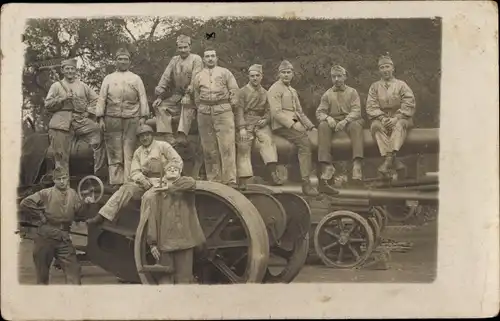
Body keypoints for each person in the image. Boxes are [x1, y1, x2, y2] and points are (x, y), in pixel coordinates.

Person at [86, 124, 183, 225]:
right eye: (141, 136)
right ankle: (103, 216)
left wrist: (167, 178)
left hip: (163, 183)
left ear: (152, 135)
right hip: (145, 182)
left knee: (149, 198)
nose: (144, 138)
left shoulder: (163, 146)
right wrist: (142, 180)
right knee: (126, 188)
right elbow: (134, 171)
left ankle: (150, 229)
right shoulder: (138, 152)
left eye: (147, 135)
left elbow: (177, 161)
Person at [19, 167, 95, 284]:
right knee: (42, 277)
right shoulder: (46, 193)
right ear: (54, 180)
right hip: (46, 236)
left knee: (74, 273)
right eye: (59, 179)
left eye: (64, 178)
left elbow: (80, 214)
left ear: (68, 178)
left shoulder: (73, 194)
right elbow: (25, 202)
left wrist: (87, 203)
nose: (62, 181)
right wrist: (40, 215)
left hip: (63, 238)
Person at [95, 48, 150, 188]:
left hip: (132, 118)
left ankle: (129, 182)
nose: (123, 61)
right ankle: (116, 183)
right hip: (111, 118)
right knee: (114, 151)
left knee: (129, 150)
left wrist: (143, 117)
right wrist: (100, 118)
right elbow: (101, 99)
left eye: (125, 59)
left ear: (129, 61)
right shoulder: (108, 78)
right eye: (120, 59)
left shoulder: (136, 78)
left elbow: (143, 98)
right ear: (116, 61)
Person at [142, 166, 206, 284]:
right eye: (169, 168)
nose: (172, 169)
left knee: (184, 280)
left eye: (175, 168)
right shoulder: (156, 196)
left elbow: (191, 182)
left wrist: (169, 187)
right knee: (165, 280)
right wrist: (153, 244)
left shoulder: (186, 191)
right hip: (165, 245)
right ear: (165, 173)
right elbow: (153, 220)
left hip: (185, 243)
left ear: (180, 172)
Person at [44, 58, 105, 177]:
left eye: (72, 69)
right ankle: (62, 185)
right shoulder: (56, 86)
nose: (70, 71)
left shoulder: (82, 86)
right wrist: (63, 98)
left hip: (80, 120)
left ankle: (99, 175)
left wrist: (88, 111)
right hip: (61, 122)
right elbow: (47, 105)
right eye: (67, 68)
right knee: (61, 156)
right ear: (62, 70)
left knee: (99, 134)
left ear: (75, 70)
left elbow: (97, 100)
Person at [268, 60, 319, 196]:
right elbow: (276, 113)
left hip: (294, 121)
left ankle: (298, 175)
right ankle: (306, 183)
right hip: (281, 125)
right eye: (283, 72)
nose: (286, 75)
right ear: (279, 74)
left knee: (311, 139)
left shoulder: (292, 90)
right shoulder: (275, 89)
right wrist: (293, 124)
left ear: (292, 74)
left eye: (288, 72)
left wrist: (310, 126)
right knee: (304, 143)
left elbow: (299, 112)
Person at [192, 48, 239, 187]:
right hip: (205, 112)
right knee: (209, 148)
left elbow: (234, 90)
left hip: (223, 111)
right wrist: (203, 108)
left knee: (227, 146)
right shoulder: (198, 76)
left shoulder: (225, 72)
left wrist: (231, 105)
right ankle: (214, 180)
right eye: (207, 56)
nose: (210, 59)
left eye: (213, 56)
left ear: (216, 58)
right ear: (204, 59)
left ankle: (230, 180)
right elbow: (196, 96)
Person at [316, 65, 364, 192]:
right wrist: (328, 118)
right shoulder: (327, 94)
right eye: (333, 77)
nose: (336, 79)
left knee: (356, 125)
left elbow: (357, 110)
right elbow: (320, 112)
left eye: (339, 76)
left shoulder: (352, 92)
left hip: (350, 120)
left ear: (345, 77)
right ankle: (327, 165)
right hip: (334, 121)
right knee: (322, 125)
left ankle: (357, 164)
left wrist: (345, 120)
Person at [366, 54, 416, 176]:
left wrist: (396, 117)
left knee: (399, 125)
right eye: (382, 67)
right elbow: (371, 106)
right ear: (379, 70)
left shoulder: (401, 85)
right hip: (381, 118)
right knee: (376, 127)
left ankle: (387, 161)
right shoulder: (375, 87)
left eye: (387, 66)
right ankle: (393, 160)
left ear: (393, 68)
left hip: (401, 117)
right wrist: (382, 118)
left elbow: (409, 103)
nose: (385, 70)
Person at [235, 64, 282, 189]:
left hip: (259, 121)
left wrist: (265, 120)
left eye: (257, 76)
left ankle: (273, 173)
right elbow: (239, 111)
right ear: (248, 77)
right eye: (252, 76)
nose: (255, 78)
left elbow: (268, 110)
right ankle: (243, 179)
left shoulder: (265, 93)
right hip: (246, 120)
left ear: (261, 76)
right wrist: (241, 128)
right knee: (243, 145)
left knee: (267, 141)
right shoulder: (242, 92)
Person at [152, 35, 203, 146]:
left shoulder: (196, 59)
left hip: (195, 95)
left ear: (190, 47)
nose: (183, 50)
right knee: (160, 106)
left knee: (186, 104)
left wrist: (189, 94)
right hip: (178, 94)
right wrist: (159, 96)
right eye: (180, 47)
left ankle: (182, 134)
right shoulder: (174, 60)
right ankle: (168, 134)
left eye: (185, 47)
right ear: (177, 48)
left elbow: (196, 79)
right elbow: (165, 77)